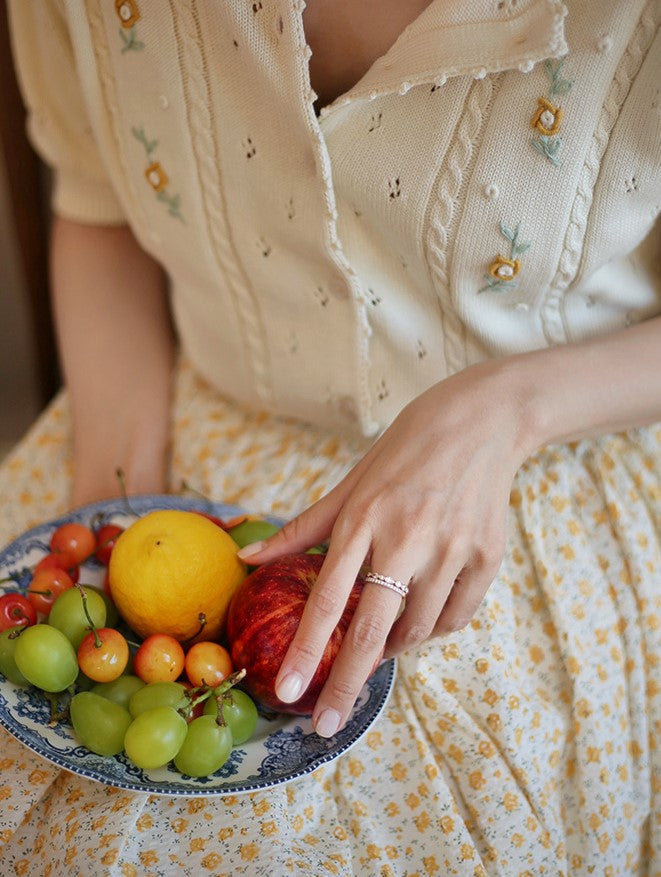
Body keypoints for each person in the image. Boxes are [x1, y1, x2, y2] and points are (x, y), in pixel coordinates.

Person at [1, 0, 659, 874]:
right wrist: (108, 514)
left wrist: (502, 408)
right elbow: (98, 203)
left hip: (541, 464)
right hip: (172, 421)